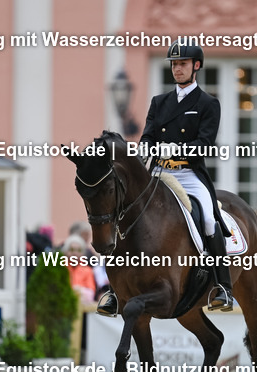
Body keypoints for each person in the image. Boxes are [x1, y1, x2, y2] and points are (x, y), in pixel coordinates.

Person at [97, 40, 232, 315]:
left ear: (196, 66)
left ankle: (222, 287)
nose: (177, 69)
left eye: (182, 64)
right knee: (124, 216)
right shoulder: (160, 102)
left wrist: (178, 148)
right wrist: (146, 146)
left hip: (189, 173)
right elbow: (148, 134)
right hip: (159, 172)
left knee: (207, 217)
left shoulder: (208, 103)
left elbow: (206, 143)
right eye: (174, 64)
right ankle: (115, 291)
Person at [62, 234, 97, 303]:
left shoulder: (88, 270)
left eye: (78, 250)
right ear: (65, 251)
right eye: (71, 249)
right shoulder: (59, 268)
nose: (75, 253)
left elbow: (91, 293)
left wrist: (79, 291)